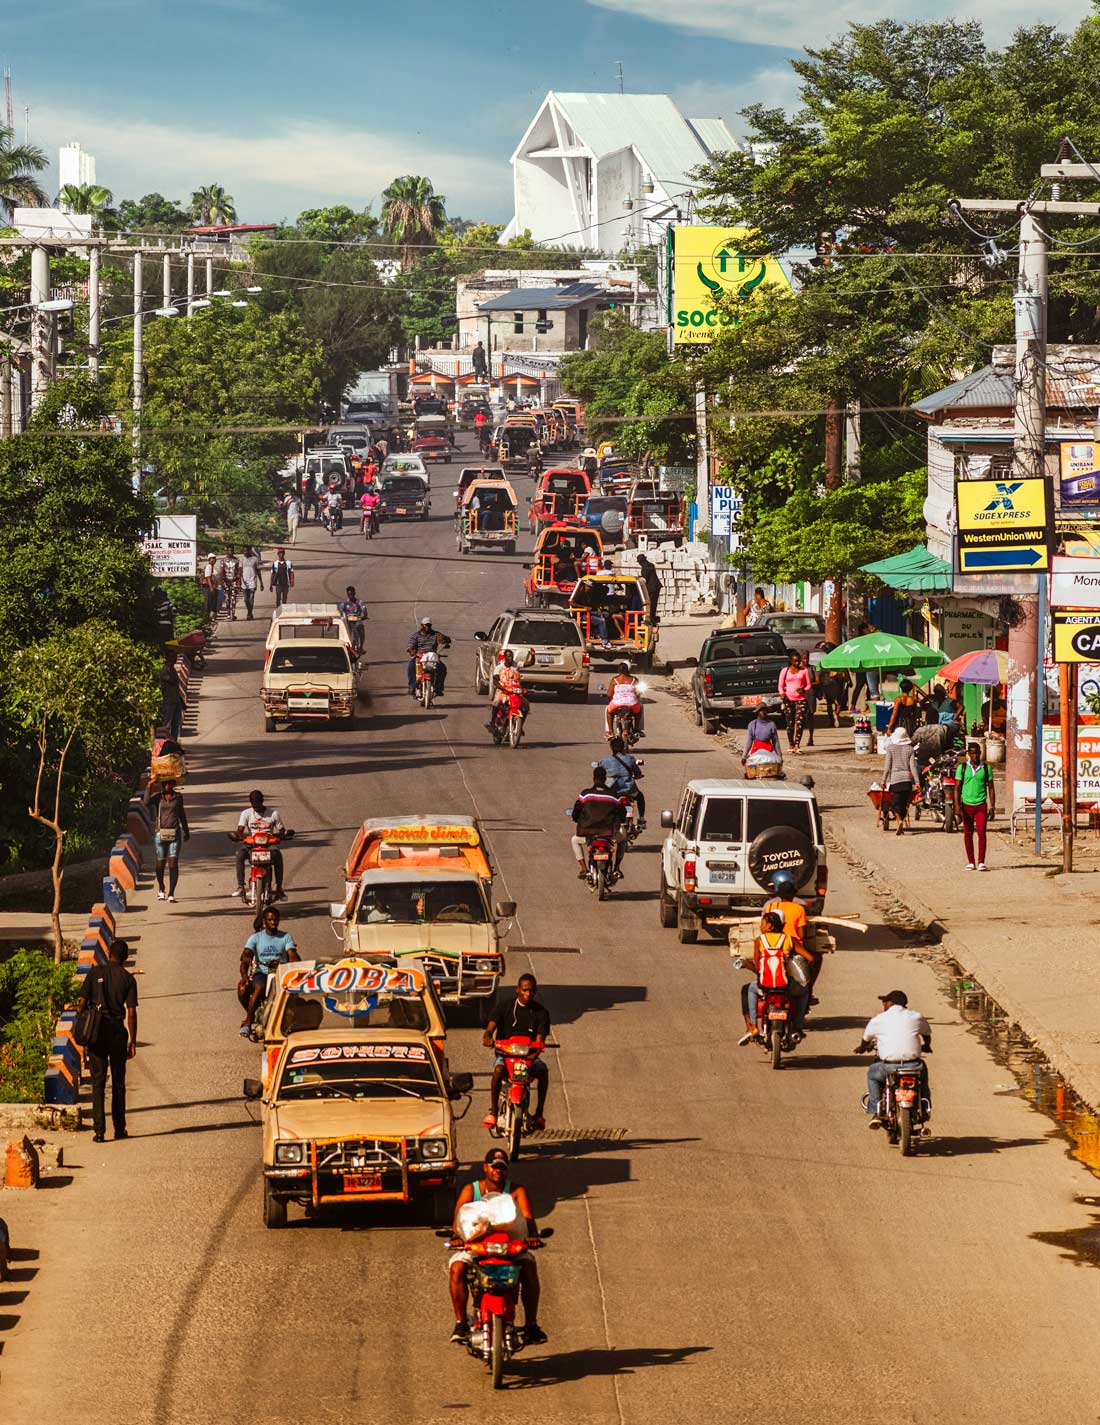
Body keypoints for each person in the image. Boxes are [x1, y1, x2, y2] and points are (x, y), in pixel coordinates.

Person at [448, 1148, 546, 1347]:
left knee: (528, 1267)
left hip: (510, 1247)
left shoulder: (517, 1191)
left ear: (506, 1170)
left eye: (502, 1167)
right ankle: (460, 1324)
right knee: (457, 1268)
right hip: (476, 1247)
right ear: (485, 1168)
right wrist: (457, 1237)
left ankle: (531, 1325)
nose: (497, 1170)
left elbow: (527, 1218)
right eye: (494, 1167)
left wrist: (533, 1237)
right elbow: (458, 1221)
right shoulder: (471, 1190)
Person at [79, 938, 137, 1143]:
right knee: (119, 1083)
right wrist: (133, 1041)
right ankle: (119, 1129)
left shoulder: (95, 973)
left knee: (98, 1082)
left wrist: (83, 1027)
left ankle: (99, 1131)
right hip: (117, 1035)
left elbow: (82, 1002)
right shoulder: (128, 979)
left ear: (108, 953)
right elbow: (131, 1013)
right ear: (125, 958)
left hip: (96, 1034)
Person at [481, 973, 550, 1130]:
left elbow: (540, 1039)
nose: (528, 994)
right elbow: (492, 1025)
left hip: (529, 1057)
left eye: (532, 991)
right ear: (517, 990)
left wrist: (534, 1054)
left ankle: (539, 1113)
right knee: (498, 1071)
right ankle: (493, 1111)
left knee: (543, 1071)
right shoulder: (504, 1006)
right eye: (525, 990)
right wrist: (488, 1035)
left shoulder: (541, 1012)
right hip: (505, 1055)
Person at [856, 989, 931, 1125]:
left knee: (872, 1074)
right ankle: (925, 1107)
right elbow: (926, 1033)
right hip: (914, 1066)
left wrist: (862, 1048)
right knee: (923, 1078)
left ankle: (875, 1110)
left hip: (889, 1066)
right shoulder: (916, 1016)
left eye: (885, 1002)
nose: (883, 1004)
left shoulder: (879, 1019)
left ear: (891, 1003)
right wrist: (927, 1045)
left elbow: (866, 1038)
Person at [738, 910, 809, 1045]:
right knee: (805, 991)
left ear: (770, 926)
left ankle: (753, 1027)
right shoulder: (789, 939)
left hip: (765, 986)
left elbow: (758, 967)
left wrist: (747, 965)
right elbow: (810, 958)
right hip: (785, 985)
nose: (761, 926)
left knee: (749, 990)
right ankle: (798, 1026)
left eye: (763, 924)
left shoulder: (759, 941)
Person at [760, 870, 816, 1027]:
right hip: (792, 948)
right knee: (805, 985)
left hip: (770, 946)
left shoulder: (770, 906)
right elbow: (801, 934)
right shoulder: (799, 908)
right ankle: (799, 1020)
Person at [238, 907, 300, 1035]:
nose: (273, 922)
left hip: (280, 973)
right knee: (257, 987)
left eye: (275, 919)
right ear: (265, 922)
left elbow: (292, 954)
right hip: (262, 973)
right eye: (270, 920)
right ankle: (249, 1021)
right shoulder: (256, 938)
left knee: (292, 994)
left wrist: (294, 960)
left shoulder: (285, 937)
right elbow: (246, 956)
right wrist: (245, 973)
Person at [570, 765, 628, 879]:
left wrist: (577, 819)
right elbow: (622, 813)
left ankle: (583, 868)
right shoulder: (614, 795)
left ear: (594, 778)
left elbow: (576, 811)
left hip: (588, 833)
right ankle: (617, 868)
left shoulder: (585, 794)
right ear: (605, 779)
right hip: (609, 834)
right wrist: (621, 820)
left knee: (574, 840)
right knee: (623, 840)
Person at [233, 790, 287, 899]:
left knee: (277, 854)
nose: (256, 808)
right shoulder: (246, 813)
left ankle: (279, 888)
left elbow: (282, 830)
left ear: (262, 801)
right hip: (252, 844)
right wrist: (238, 836)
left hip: (268, 844)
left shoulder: (273, 814)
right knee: (239, 854)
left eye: (258, 805)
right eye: (254, 805)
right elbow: (240, 830)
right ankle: (240, 886)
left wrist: (278, 836)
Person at [144, 778, 190, 903]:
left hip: (175, 834)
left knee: (173, 863)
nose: (167, 786)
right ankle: (161, 888)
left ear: (174, 784)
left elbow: (181, 814)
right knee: (160, 864)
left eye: (170, 783)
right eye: (165, 783)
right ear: (162, 784)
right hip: (160, 835)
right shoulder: (158, 797)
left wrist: (186, 831)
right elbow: (146, 802)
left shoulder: (178, 797)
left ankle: (171, 893)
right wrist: (149, 785)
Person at [955, 741, 995, 871]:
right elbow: (957, 788)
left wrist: (992, 806)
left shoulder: (986, 768)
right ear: (968, 754)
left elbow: (991, 787)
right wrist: (957, 805)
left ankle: (981, 861)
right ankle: (971, 862)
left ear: (980, 753)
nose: (975, 756)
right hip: (966, 805)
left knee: (982, 832)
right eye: (972, 753)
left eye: (977, 753)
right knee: (968, 833)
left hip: (981, 805)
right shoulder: (962, 768)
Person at [598, 736, 645, 824]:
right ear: (623, 747)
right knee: (640, 797)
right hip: (629, 789)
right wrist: (638, 775)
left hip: (612, 791)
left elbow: (600, 773)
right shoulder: (630, 759)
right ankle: (642, 818)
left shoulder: (604, 761)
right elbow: (637, 773)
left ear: (611, 747)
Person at [881, 726, 918, 835]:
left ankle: (899, 821)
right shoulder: (910, 749)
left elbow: (887, 767)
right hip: (907, 781)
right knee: (904, 804)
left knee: (895, 804)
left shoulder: (890, 749)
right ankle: (901, 820)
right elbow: (913, 767)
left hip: (895, 780)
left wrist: (883, 781)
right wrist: (917, 782)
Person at [488, 646, 532, 732]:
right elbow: (495, 680)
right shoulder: (499, 667)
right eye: (508, 656)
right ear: (504, 657)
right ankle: (492, 723)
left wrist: (533, 656)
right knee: (496, 702)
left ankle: (519, 726)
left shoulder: (516, 665)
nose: (510, 658)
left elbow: (530, 663)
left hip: (514, 692)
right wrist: (503, 688)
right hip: (503, 691)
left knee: (526, 705)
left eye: (511, 656)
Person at [406, 618, 451, 697]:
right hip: (419, 657)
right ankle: (412, 687)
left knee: (442, 668)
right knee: (411, 666)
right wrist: (412, 651)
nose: (427, 627)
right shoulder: (416, 635)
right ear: (422, 625)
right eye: (426, 625)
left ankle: (438, 688)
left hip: (432, 658)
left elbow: (446, 639)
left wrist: (445, 639)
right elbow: (411, 645)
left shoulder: (436, 634)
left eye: (429, 625)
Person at [778, 651, 812, 753]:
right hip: (788, 700)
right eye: (795, 661)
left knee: (799, 722)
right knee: (790, 723)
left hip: (801, 700)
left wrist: (804, 689)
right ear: (791, 661)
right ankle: (791, 744)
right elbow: (780, 685)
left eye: (798, 661)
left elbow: (809, 685)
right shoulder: (785, 671)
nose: (797, 663)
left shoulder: (804, 671)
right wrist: (782, 693)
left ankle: (797, 744)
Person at [604, 660, 644, 739]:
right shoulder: (634, 680)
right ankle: (637, 729)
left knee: (608, 711)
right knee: (640, 709)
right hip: (632, 704)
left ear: (618, 670)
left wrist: (610, 700)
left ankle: (611, 732)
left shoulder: (614, 680)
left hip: (617, 703)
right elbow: (638, 693)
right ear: (628, 669)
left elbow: (609, 694)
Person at [850, 623, 880, 708]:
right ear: (864, 629)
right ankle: (858, 705)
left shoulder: (860, 639)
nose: (870, 629)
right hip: (864, 666)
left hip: (862, 666)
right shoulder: (865, 639)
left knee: (865, 686)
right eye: (868, 628)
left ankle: (857, 705)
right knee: (868, 686)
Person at [158, 653, 185, 740]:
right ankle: (163, 744)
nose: (175, 659)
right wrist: (171, 668)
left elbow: (176, 687)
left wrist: (181, 702)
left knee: (176, 725)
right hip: (168, 701)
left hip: (176, 700)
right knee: (166, 725)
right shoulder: (165, 670)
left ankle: (174, 744)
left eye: (175, 657)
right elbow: (172, 681)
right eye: (172, 657)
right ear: (167, 658)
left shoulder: (172, 669)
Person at [339, 585, 367, 655]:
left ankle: (360, 647)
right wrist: (342, 616)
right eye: (349, 594)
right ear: (347, 594)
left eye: (352, 594)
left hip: (357, 620)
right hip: (349, 622)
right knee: (350, 635)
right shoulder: (345, 604)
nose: (350, 596)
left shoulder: (359, 602)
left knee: (361, 630)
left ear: (354, 593)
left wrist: (365, 615)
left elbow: (364, 608)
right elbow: (340, 611)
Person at [636, 552, 662, 622]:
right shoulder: (651, 564)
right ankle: (652, 617)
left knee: (650, 604)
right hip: (656, 586)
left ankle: (651, 619)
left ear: (641, 561)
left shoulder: (645, 566)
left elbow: (645, 578)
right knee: (653, 603)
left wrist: (638, 578)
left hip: (652, 587)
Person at [240, 546, 264, 620]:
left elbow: (258, 571)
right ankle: (249, 611)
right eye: (244, 551)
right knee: (246, 600)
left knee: (251, 598)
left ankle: (249, 613)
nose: (245, 552)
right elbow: (240, 571)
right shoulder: (241, 559)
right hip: (244, 582)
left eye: (246, 551)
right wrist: (240, 580)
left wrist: (261, 583)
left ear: (250, 551)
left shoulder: (255, 559)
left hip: (252, 581)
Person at [221, 545, 241, 621]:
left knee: (233, 598)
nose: (230, 552)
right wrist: (222, 582)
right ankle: (228, 614)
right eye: (229, 550)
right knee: (227, 599)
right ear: (226, 551)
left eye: (232, 551)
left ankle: (233, 613)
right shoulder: (223, 560)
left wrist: (238, 583)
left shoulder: (237, 560)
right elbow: (221, 571)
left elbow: (239, 571)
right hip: (226, 581)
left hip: (234, 581)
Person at [200, 553, 219, 621]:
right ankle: (206, 617)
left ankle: (210, 617)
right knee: (208, 602)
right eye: (212, 558)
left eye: (214, 558)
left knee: (212, 602)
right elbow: (208, 577)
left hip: (212, 587)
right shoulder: (209, 566)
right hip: (207, 587)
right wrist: (211, 587)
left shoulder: (212, 567)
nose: (213, 560)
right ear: (209, 559)